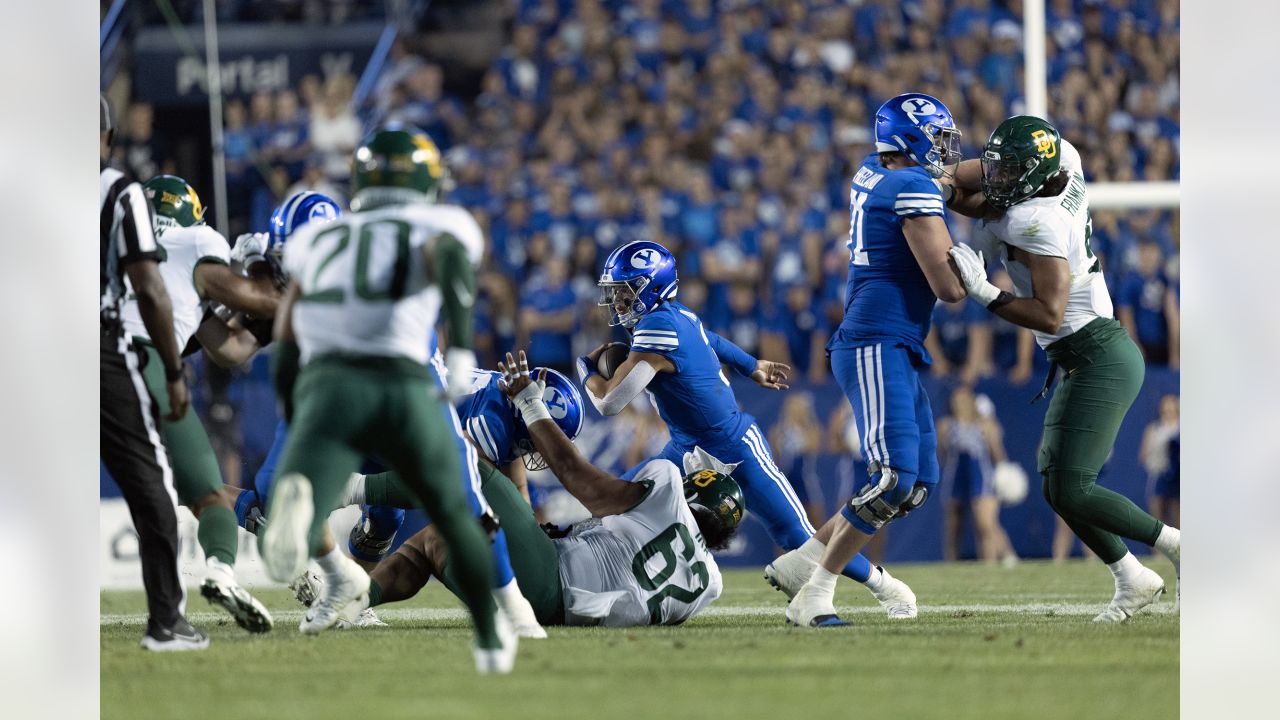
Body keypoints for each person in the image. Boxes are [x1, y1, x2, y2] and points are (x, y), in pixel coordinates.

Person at [261, 126, 516, 673]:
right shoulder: (442, 224)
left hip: (329, 385)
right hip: (402, 382)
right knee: (454, 510)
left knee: (300, 489)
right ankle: (492, 632)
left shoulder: (320, 239)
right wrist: (466, 353)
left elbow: (286, 333)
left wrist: (289, 402)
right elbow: (451, 268)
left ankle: (307, 532)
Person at [581, 239, 918, 620]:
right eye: (615, 293)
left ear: (653, 287)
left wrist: (587, 372)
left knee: (798, 536)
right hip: (685, 447)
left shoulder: (659, 328)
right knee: (621, 499)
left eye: (625, 292)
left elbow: (609, 402)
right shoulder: (676, 317)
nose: (617, 302)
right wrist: (751, 364)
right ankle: (593, 582)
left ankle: (887, 586)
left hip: (732, 445)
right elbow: (712, 339)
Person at [944, 115, 1180, 620]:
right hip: (1084, 353)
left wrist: (985, 292)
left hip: (1098, 353)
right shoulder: (1062, 160)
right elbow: (971, 185)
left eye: (1009, 172)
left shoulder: (1036, 221)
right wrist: (940, 176)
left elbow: (1048, 313)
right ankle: (1131, 577)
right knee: (1057, 485)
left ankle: (1179, 546)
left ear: (1033, 175)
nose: (996, 178)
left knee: (1073, 485)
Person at [358, 351, 744, 628]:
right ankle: (355, 603)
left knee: (469, 470)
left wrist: (530, 404)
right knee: (434, 543)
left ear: (692, 494)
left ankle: (350, 489)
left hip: (552, 581)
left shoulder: (669, 490)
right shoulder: (710, 583)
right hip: (567, 605)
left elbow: (583, 483)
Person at [783, 92, 969, 627]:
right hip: (875, 339)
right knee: (892, 479)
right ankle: (815, 593)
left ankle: (804, 561)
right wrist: (979, 278)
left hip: (892, 341)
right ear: (909, 139)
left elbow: (935, 186)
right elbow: (948, 288)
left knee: (915, 483)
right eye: (936, 137)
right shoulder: (909, 185)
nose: (945, 149)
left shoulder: (874, 171)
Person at [115, 175, 281, 633]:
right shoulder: (197, 241)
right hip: (138, 361)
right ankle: (221, 574)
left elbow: (227, 346)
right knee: (210, 497)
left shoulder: (116, 244)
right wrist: (262, 267)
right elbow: (256, 301)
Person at [98, 95, 205, 651]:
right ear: (107, 136)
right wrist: (174, 368)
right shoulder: (119, 192)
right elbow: (149, 285)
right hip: (99, 350)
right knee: (150, 484)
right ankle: (166, 621)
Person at [937, 386, 1018, 565]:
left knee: (985, 523)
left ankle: (995, 559)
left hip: (980, 475)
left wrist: (1003, 475)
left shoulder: (985, 424)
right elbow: (942, 454)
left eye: (964, 400)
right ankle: (951, 562)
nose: (960, 404)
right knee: (953, 525)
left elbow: (998, 454)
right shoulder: (945, 425)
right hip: (956, 475)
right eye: (956, 400)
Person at [1141, 394, 1180, 527]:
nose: (1168, 409)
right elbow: (1143, 456)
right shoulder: (1153, 429)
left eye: (1171, 405)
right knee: (1157, 524)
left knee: (1178, 521)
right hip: (1158, 477)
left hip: (1178, 481)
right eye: (1165, 406)